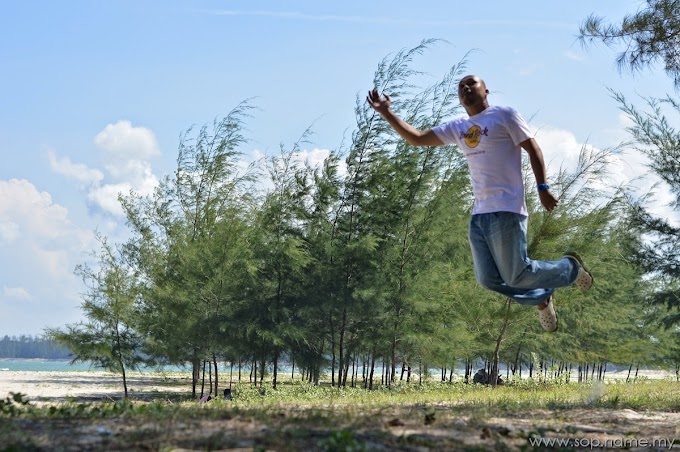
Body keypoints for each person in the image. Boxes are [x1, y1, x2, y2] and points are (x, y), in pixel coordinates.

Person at [366, 75, 593, 332]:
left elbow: (534, 149)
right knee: (488, 279)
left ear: (486, 90)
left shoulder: (504, 115)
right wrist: (387, 113)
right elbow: (417, 138)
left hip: (507, 209)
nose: (466, 88)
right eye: (461, 86)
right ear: (459, 98)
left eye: (471, 83)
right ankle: (540, 297)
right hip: (479, 215)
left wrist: (543, 188)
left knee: (517, 274)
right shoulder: (458, 127)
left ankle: (570, 269)